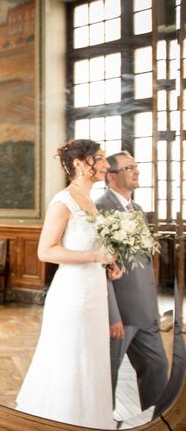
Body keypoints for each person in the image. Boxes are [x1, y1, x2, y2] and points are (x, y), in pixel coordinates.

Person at [15, 139, 122, 429]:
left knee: (92, 357)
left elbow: (92, 245)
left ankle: (92, 420)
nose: (105, 165)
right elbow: (45, 251)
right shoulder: (63, 202)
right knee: (71, 358)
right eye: (98, 158)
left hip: (95, 292)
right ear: (78, 164)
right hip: (73, 295)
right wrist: (94, 255)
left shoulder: (91, 202)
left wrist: (109, 262)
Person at [96, 151, 169, 412]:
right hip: (120, 314)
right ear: (111, 176)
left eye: (136, 166)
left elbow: (144, 264)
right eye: (129, 168)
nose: (136, 171)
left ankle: (159, 424)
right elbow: (100, 267)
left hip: (145, 310)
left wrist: (153, 307)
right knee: (109, 376)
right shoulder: (99, 209)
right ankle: (103, 423)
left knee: (157, 367)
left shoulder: (137, 210)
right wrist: (112, 315)